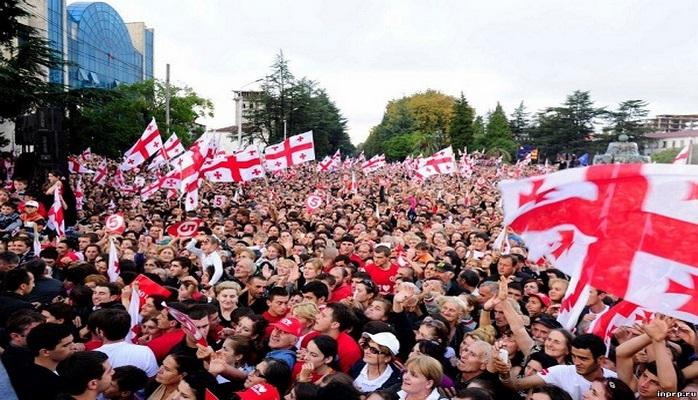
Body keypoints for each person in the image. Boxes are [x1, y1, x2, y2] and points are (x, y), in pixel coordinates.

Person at [497, 334, 616, 400]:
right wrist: (504, 373)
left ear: (600, 359)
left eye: (583, 359)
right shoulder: (560, 372)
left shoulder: (614, 380)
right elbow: (516, 385)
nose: (577, 362)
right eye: (574, 356)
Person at [15, 322, 76, 400]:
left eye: (72, 341)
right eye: (66, 345)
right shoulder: (41, 385)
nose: (73, 346)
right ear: (45, 352)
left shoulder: (64, 365)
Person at [92, 309, 159, 377]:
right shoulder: (145, 352)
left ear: (99, 331)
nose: (146, 330)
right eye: (144, 326)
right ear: (129, 329)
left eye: (151, 327)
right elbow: (152, 378)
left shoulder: (92, 357)